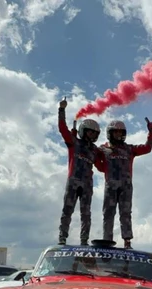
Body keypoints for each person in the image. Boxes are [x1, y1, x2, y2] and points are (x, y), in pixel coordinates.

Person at [95, 117, 152, 249]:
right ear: (110, 133)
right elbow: (95, 160)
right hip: (110, 185)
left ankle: (127, 241)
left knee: (126, 213)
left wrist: (151, 132)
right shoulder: (103, 149)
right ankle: (107, 240)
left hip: (126, 186)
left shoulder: (129, 149)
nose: (118, 134)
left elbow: (147, 148)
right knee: (108, 213)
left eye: (120, 132)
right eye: (115, 132)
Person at [57, 97, 101, 246]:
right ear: (84, 131)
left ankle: (84, 240)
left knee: (86, 213)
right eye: (91, 132)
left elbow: (103, 164)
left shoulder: (95, 150)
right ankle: (62, 237)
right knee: (67, 210)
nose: (93, 136)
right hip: (73, 180)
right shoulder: (73, 142)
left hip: (87, 184)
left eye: (95, 134)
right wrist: (61, 109)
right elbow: (62, 128)